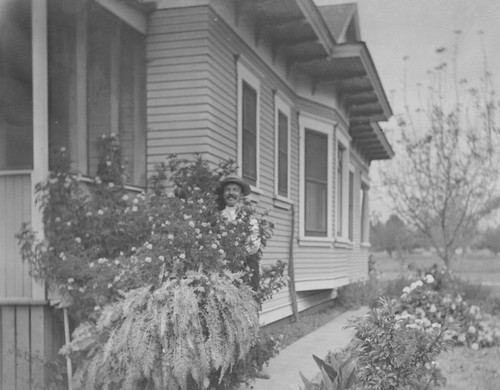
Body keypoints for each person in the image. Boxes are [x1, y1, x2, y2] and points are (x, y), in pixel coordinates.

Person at [219, 175, 261, 291]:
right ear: (223, 194)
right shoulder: (217, 217)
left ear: (241, 195)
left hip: (245, 267)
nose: (231, 193)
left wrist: (234, 253)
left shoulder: (249, 218)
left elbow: (254, 245)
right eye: (228, 190)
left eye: (235, 190)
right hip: (221, 269)